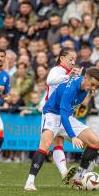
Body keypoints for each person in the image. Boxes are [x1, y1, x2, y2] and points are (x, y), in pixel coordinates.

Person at [24, 67, 99, 191]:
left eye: (96, 86)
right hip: (52, 114)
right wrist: (73, 136)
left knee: (96, 142)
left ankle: (79, 178)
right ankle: (30, 181)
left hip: (66, 116)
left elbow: (68, 113)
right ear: (85, 78)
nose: (93, 88)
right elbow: (63, 116)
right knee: (45, 144)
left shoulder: (85, 87)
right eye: (92, 84)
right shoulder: (70, 89)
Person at [40, 48, 81, 181]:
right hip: (51, 112)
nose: (73, 62)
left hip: (62, 112)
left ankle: (64, 173)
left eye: (75, 59)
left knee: (59, 142)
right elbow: (50, 81)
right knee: (45, 146)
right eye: (70, 59)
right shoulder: (56, 70)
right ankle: (31, 178)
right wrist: (68, 76)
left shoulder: (72, 74)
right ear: (61, 58)